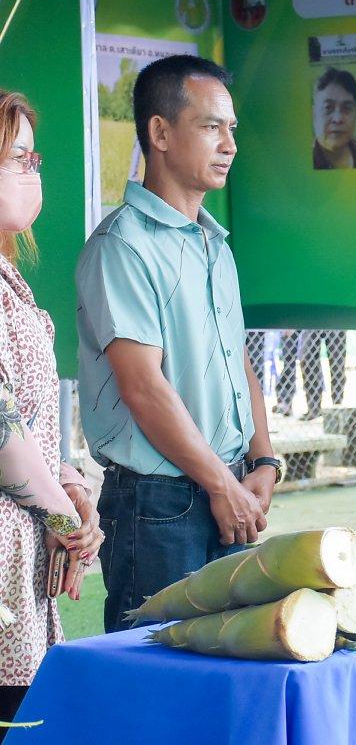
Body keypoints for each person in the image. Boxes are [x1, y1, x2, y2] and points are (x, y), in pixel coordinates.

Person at [77, 55, 281, 634]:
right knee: (156, 671)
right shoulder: (122, 246)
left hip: (229, 490)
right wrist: (221, 484)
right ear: (160, 133)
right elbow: (143, 386)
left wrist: (263, 461)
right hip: (159, 505)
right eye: (211, 126)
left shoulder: (215, 244)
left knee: (227, 663)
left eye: (231, 128)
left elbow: (238, 360)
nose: (230, 144)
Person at [0, 92, 103, 732]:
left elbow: (35, 428)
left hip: (24, 570)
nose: (33, 172)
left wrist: (72, 489)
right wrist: (66, 516)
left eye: (33, 159)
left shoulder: (12, 281)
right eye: (18, 158)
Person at [312, 67, 356, 169]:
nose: (337, 119)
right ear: (314, 114)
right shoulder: (305, 161)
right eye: (328, 108)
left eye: (347, 108)